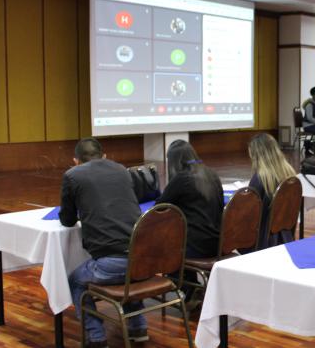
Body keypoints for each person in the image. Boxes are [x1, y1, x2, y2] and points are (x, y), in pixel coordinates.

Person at [60, 138, 146, 348]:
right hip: (143, 258)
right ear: (104, 156)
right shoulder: (122, 170)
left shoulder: (73, 175)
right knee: (129, 273)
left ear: (76, 161)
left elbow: (68, 219)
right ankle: (138, 327)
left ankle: (97, 337)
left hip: (112, 262)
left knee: (75, 281)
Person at [156, 140, 223, 259]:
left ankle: (177, 277)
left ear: (174, 162)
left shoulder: (181, 179)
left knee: (161, 247)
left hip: (197, 246)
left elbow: (158, 208)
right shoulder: (212, 174)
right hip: (219, 242)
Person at [248, 133, 297, 249]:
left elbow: (250, 217)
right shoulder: (290, 174)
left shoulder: (260, 179)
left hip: (262, 242)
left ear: (256, 155)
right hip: (284, 236)